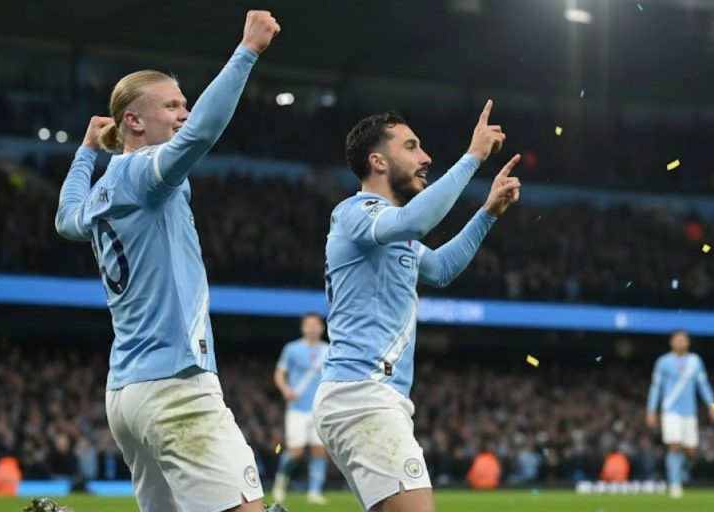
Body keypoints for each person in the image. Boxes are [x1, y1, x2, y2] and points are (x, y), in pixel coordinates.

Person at [50, 10, 282, 512]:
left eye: (185, 103)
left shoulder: (103, 192)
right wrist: (246, 52)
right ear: (134, 121)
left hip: (127, 394)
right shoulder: (141, 174)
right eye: (172, 105)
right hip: (176, 386)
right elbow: (201, 135)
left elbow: (66, 219)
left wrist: (87, 153)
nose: (184, 113)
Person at [313, 101, 522, 512]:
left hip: (373, 397)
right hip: (362, 395)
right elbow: (414, 222)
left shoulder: (395, 233)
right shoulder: (356, 212)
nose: (425, 157)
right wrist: (473, 157)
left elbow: (440, 269)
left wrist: (487, 214)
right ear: (377, 162)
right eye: (411, 147)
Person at [646, 330, 714, 499]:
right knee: (674, 445)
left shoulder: (695, 361)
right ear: (671, 342)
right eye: (677, 339)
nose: (680, 342)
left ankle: (681, 473)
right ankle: (675, 484)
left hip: (690, 412)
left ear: (688, 342)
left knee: (691, 451)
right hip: (670, 410)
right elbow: (656, 387)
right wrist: (651, 410)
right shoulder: (663, 362)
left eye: (683, 339)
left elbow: (704, 385)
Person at [272, 313, 330, 505]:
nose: (312, 328)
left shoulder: (328, 350)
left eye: (315, 324)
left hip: (319, 408)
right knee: (295, 452)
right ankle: (280, 484)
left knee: (319, 450)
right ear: (303, 327)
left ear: (322, 327)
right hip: (297, 408)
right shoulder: (292, 349)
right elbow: (279, 373)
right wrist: (285, 389)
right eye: (308, 325)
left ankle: (314, 492)